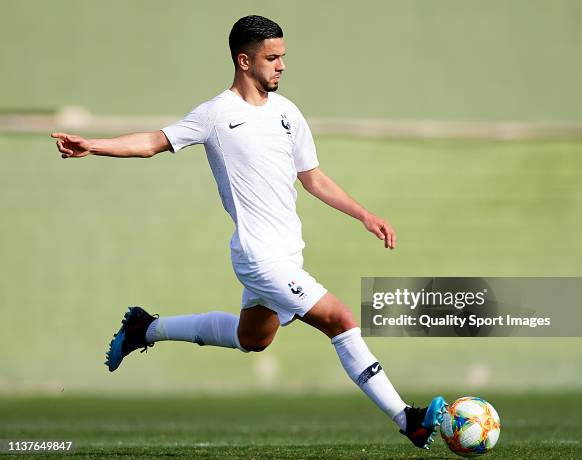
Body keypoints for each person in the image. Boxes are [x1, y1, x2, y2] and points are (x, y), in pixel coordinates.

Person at [51, 15, 446, 449]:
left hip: (287, 254)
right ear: (244, 60)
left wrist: (364, 215)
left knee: (252, 338)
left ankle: (146, 328)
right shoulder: (216, 114)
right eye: (271, 58)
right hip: (259, 257)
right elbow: (152, 143)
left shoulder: (288, 114)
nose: (281, 66)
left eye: (283, 57)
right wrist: (93, 145)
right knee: (341, 320)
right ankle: (407, 418)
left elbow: (312, 178)